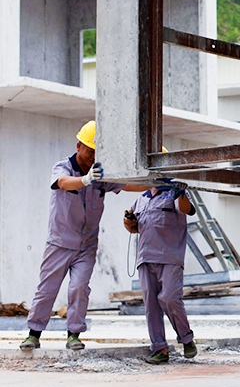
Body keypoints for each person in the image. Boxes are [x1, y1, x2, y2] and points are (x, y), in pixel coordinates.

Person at [20, 121, 146, 351]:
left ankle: (74, 335)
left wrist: (155, 184)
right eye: (90, 150)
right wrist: (85, 180)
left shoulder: (102, 173)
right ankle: (33, 333)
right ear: (79, 146)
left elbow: (128, 184)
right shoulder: (63, 167)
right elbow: (62, 183)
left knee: (79, 288)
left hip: (87, 245)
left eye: (98, 152)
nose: (93, 156)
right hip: (60, 242)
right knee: (48, 288)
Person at [123, 176, 198, 364]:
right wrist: (129, 222)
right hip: (145, 258)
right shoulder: (142, 198)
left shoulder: (175, 193)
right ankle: (159, 349)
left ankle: (186, 338)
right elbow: (135, 229)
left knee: (170, 298)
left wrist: (181, 191)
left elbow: (186, 209)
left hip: (169, 256)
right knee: (151, 305)